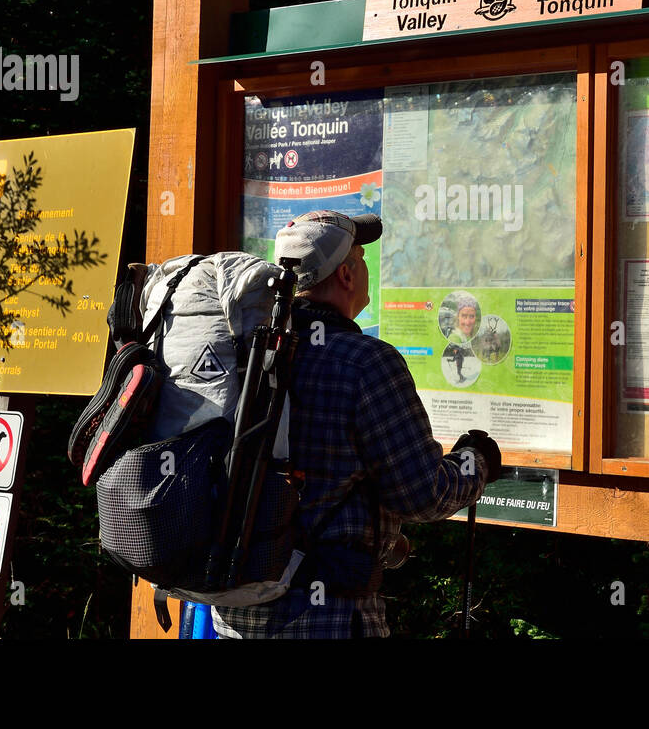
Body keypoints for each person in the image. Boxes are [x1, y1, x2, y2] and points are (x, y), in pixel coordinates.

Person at [212, 209, 500, 638]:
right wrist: (475, 460)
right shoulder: (366, 363)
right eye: (362, 259)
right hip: (325, 620)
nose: (366, 269)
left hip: (239, 611)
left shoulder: (247, 353)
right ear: (346, 276)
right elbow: (422, 493)